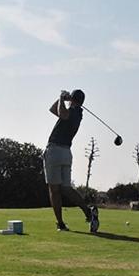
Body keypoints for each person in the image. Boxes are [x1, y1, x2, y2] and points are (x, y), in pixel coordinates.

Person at [44, 89, 99, 233]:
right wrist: (61, 99)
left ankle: (61, 223)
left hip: (55, 150)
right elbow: (53, 110)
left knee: (54, 190)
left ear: (72, 100)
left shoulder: (72, 112)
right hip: (66, 152)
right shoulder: (77, 113)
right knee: (66, 188)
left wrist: (62, 99)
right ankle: (88, 212)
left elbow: (61, 113)